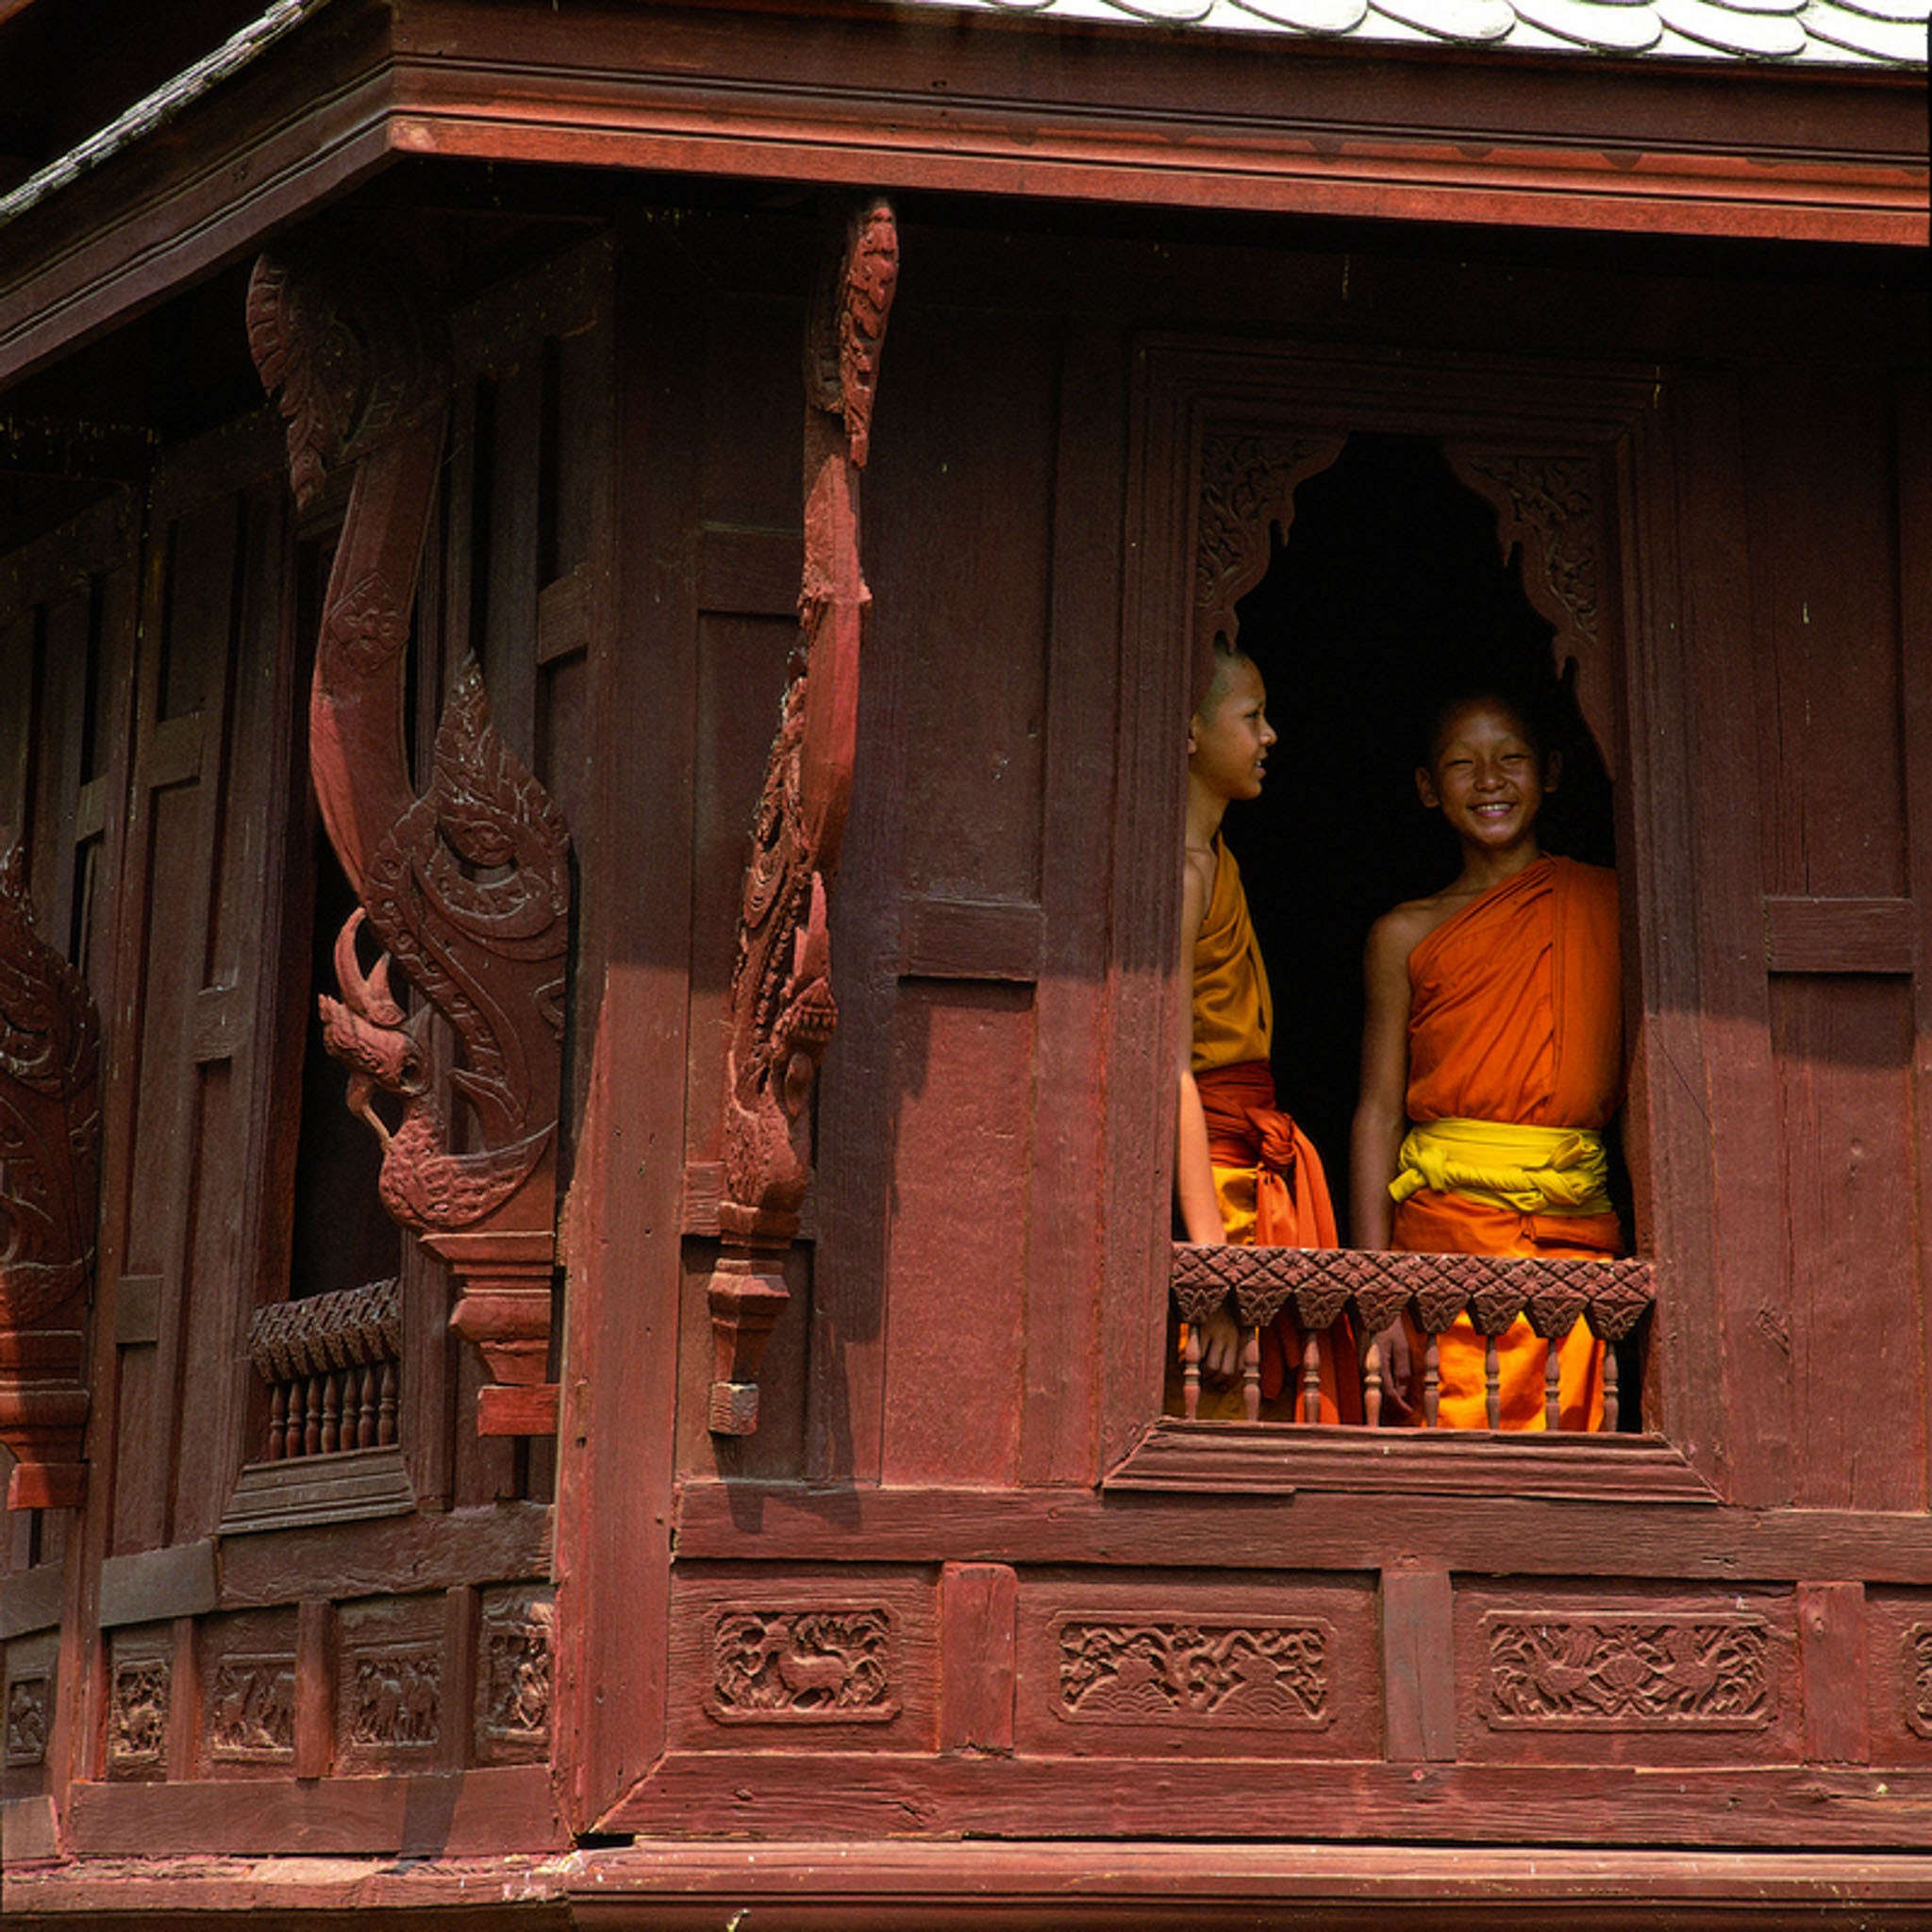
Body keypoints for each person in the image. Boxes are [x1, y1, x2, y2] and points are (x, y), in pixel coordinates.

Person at [1350, 690, 1622, 1430]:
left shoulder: (1610, 908)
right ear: (1428, 788)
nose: (1491, 781)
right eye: (1463, 766)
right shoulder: (1403, 934)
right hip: (1443, 1242)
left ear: (1553, 772)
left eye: (1512, 759)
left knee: (1565, 1494)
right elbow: (1377, 1111)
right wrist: (1375, 1292)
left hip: (1574, 1238)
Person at [1173, 644, 1357, 1424]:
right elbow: (1169, 1068)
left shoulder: (1220, 860)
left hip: (1247, 1168)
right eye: (1251, 718)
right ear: (1189, 732)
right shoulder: (1183, 873)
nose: (1270, 735)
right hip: (1214, 1184)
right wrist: (1212, 1266)